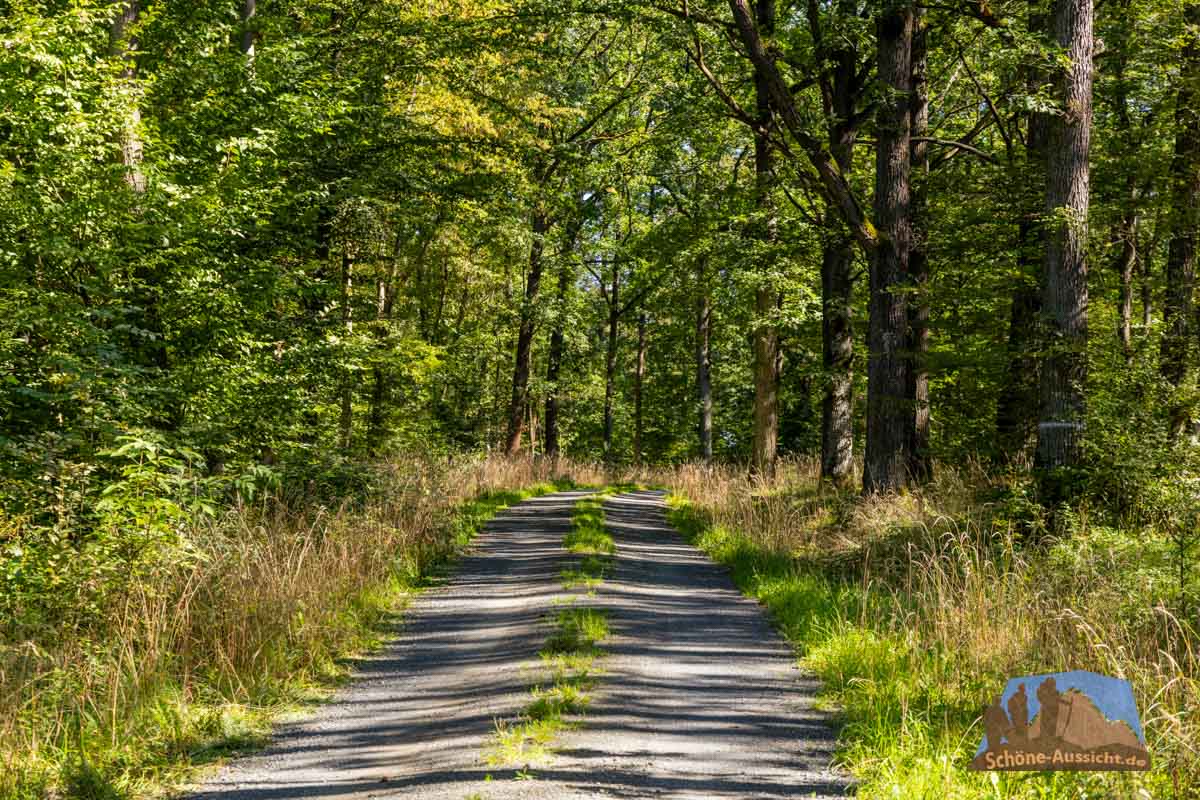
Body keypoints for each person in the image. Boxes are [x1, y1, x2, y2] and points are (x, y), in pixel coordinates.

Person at [1037, 677, 1060, 743]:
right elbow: (1040, 697)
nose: (1053, 685)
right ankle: (1044, 739)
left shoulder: (1056, 692)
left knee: (1052, 726)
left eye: (1053, 684)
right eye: (1051, 684)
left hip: (1053, 711)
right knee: (1044, 724)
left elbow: (1058, 700)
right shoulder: (1043, 691)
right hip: (1046, 711)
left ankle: (1050, 739)